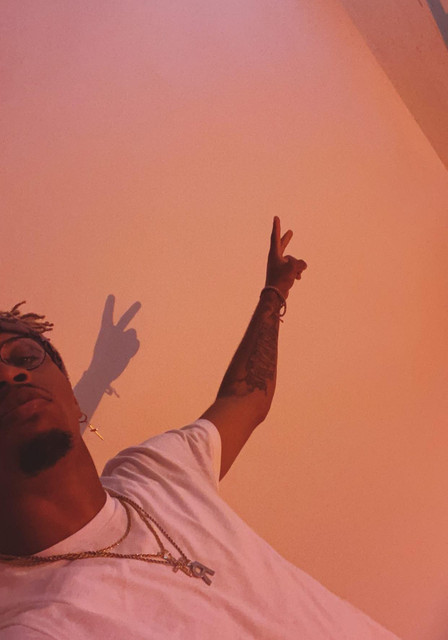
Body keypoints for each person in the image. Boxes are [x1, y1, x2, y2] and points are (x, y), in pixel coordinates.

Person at [0, 217, 401, 639]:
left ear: (73, 396)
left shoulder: (155, 473)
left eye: (24, 357)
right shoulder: (35, 623)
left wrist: (275, 292)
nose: (10, 375)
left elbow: (245, 398)